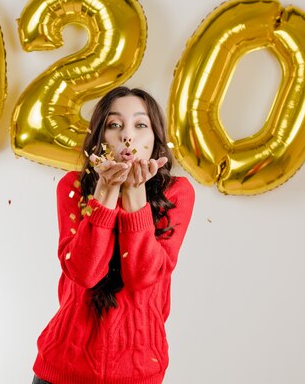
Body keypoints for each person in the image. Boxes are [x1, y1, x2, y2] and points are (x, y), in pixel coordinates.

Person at [32, 86, 195, 384]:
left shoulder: (177, 193)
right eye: (115, 125)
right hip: (62, 368)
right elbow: (84, 272)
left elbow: (143, 277)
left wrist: (135, 193)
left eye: (140, 125)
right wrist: (106, 192)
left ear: (155, 139)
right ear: (100, 138)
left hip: (139, 371)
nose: (127, 136)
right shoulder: (73, 187)